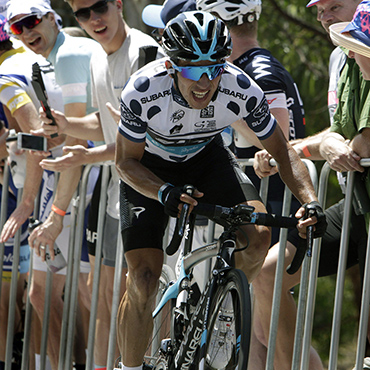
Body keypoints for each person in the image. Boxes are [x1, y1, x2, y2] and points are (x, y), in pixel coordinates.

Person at [111, 10, 326, 370]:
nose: (205, 82)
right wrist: (163, 191)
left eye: (215, 68)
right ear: (171, 65)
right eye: (194, 70)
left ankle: (219, 303)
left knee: (257, 238)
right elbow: (125, 163)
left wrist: (311, 201)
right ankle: (129, 367)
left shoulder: (239, 86)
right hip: (148, 168)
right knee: (144, 280)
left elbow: (283, 151)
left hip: (205, 158)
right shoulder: (143, 91)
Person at [28, 0, 165, 367]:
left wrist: (84, 156)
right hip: (114, 194)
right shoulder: (95, 58)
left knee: (140, 295)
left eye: (99, 7)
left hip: (149, 192)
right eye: (83, 14)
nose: (93, 19)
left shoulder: (144, 53)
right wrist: (64, 124)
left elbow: (141, 140)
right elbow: (104, 124)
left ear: (118, 4)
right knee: (101, 295)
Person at [251, 1, 370, 369]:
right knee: (268, 271)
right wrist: (288, 152)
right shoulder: (345, 61)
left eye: (335, 6)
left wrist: (333, 145)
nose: (324, 16)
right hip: (357, 204)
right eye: (319, 10)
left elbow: (361, 145)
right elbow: (338, 138)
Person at [0, 0, 102, 368]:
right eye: (17, 27)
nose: (26, 32)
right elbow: (44, 138)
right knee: (41, 293)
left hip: (92, 180)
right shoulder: (37, 61)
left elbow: (63, 140)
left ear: (51, 17)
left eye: (31, 21)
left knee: (94, 295)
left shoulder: (72, 54)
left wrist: (48, 210)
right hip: (66, 178)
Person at [196, 0, 306, 246]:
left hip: (275, 197)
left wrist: (227, 111)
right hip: (262, 195)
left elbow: (280, 137)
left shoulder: (259, 70)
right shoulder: (245, 67)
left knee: (264, 281)